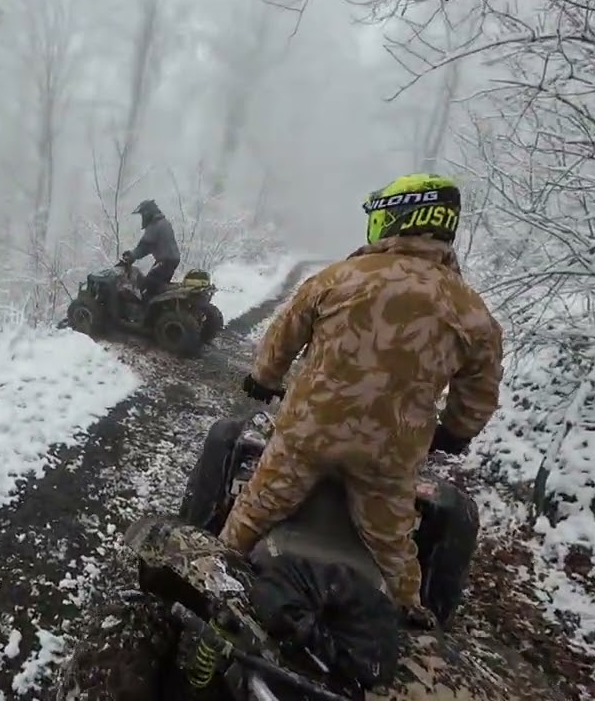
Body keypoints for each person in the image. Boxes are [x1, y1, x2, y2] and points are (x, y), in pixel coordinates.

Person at [218, 172, 504, 628]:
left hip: (306, 439)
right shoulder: (470, 310)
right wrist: (456, 429)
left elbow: (282, 338)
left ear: (395, 219)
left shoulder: (337, 277)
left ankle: (219, 579)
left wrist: (264, 378)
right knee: (394, 550)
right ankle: (412, 620)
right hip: (387, 460)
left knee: (248, 515)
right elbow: (480, 389)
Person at [121, 199, 180, 300]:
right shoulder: (164, 223)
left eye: (142, 215)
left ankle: (145, 314)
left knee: (146, 288)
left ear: (147, 213)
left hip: (164, 261)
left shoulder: (155, 226)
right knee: (158, 287)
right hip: (171, 260)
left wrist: (132, 255)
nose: (142, 218)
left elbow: (145, 246)